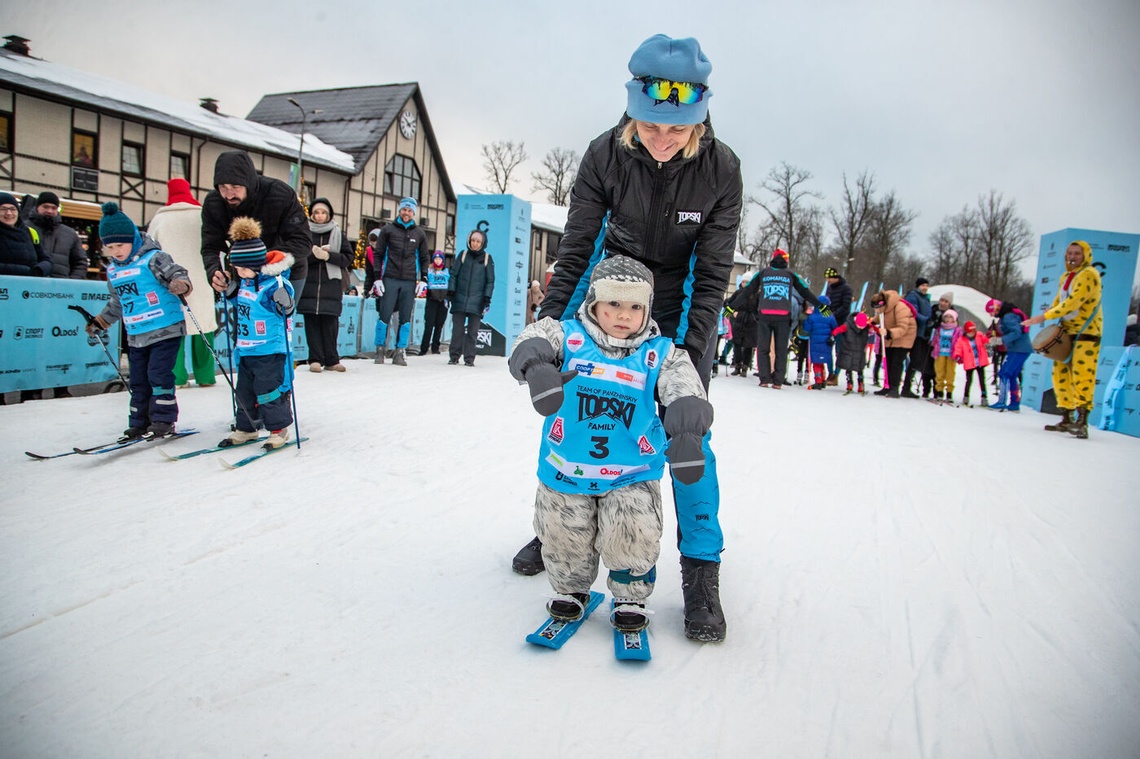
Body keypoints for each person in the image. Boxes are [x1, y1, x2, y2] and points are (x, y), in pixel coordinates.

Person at [512, 34, 743, 643]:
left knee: (693, 444)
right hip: (608, 292)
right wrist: (553, 334)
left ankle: (702, 574)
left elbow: (712, 275)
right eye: (650, 126)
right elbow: (577, 250)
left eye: (676, 130)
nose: (662, 140)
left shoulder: (722, 170)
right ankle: (563, 522)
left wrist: (691, 376)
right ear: (633, 109)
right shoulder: (603, 156)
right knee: (578, 412)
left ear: (697, 120)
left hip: (674, 303)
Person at [508, 256, 712, 633]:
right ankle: (571, 589)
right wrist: (537, 367)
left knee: (633, 530)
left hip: (631, 470)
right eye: (613, 304)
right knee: (563, 532)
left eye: (635, 306)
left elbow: (685, 387)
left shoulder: (659, 352)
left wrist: (686, 434)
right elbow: (530, 338)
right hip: (566, 466)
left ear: (647, 309)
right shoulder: (566, 335)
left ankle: (630, 595)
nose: (624, 315)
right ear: (594, 303)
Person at [86, 203, 192, 440]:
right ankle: (139, 422)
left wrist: (181, 284)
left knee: (158, 374)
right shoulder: (114, 271)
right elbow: (117, 303)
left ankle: (163, 420)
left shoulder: (154, 258)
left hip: (165, 329)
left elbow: (178, 273)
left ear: (133, 238)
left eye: (120, 245)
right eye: (110, 247)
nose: (116, 251)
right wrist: (101, 321)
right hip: (136, 334)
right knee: (138, 380)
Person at [216, 218, 296, 450]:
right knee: (244, 392)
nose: (239, 273)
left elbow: (287, 310)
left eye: (243, 268)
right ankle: (247, 428)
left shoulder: (274, 284)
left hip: (270, 349)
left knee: (268, 392)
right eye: (237, 269)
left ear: (256, 264)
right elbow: (239, 300)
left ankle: (278, 430)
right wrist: (228, 288)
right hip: (247, 349)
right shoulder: (245, 283)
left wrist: (284, 303)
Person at [200, 150, 310, 300]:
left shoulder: (280, 194)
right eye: (223, 187)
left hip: (285, 272)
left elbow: (302, 241)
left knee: (277, 320)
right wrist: (214, 271)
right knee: (246, 320)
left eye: (235, 186)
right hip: (243, 274)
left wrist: (260, 263)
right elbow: (210, 246)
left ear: (248, 182)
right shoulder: (214, 203)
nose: (229, 194)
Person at [1022, 240, 1103, 439]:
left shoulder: (1089, 275)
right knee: (1060, 375)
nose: (1072, 257)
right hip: (1066, 332)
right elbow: (1060, 301)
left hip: (1086, 334)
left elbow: (1074, 301)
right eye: (1069, 253)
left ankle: (1082, 421)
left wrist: (1045, 317)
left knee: (1083, 376)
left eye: (1077, 253)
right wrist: (1049, 311)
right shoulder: (1066, 277)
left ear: (1085, 255)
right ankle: (1067, 417)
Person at [148, 178, 217, 389]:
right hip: (202, 278)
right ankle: (206, 376)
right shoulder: (202, 216)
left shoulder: (159, 221)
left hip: (172, 280)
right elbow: (215, 245)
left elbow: (150, 253)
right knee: (204, 325)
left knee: (175, 327)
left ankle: (177, 377)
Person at [743, 249, 826, 388]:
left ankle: (764, 379)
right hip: (783, 315)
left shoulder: (763, 273)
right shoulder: (790, 274)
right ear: (785, 260)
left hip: (765, 313)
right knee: (781, 349)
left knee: (763, 348)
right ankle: (778, 381)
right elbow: (805, 292)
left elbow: (748, 291)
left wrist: (731, 306)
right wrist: (819, 305)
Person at [367, 197, 429, 366]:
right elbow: (378, 254)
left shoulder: (419, 234)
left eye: (409, 210)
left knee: (405, 317)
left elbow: (424, 257)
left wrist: (423, 278)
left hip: (409, 280)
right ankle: (380, 348)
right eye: (404, 209)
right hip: (390, 278)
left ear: (414, 213)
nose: (406, 213)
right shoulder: (388, 230)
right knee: (384, 315)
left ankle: (400, 351)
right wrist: (378, 278)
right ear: (399, 210)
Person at [301, 197, 354, 373]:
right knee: (312, 323)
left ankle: (332, 359)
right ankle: (315, 359)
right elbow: (299, 258)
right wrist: (313, 256)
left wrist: (328, 256)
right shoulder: (305, 232)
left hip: (331, 285)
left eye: (323, 212)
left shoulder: (338, 233)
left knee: (330, 324)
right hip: (309, 284)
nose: (320, 216)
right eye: (316, 212)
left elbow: (348, 258)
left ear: (329, 214)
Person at [446, 230, 495, 366]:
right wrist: (450, 293)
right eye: (473, 240)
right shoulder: (463, 255)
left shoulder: (487, 258)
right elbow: (454, 275)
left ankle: (469, 358)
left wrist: (486, 299)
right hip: (459, 300)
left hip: (477, 301)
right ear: (469, 241)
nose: (475, 243)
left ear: (482, 243)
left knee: (473, 332)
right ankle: (454, 356)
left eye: (478, 241)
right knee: (457, 331)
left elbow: (490, 281)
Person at [984, 298, 1032, 412]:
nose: (991, 315)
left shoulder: (1008, 316)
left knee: (1004, 373)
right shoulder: (1008, 314)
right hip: (1020, 349)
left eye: (991, 312)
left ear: (995, 308)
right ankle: (1014, 403)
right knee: (1012, 374)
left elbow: (1016, 332)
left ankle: (1002, 401)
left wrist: (1000, 340)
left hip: (1018, 349)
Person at [28, 191, 87, 280]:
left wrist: (73, 282)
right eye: (45, 207)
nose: (49, 211)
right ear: (37, 207)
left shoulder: (69, 234)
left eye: (54, 208)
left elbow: (80, 262)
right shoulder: (24, 229)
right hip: (30, 285)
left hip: (61, 288)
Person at [869, 289, 916, 398]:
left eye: (878, 308)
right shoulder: (882, 310)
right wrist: (868, 322)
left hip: (904, 337)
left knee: (896, 362)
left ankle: (894, 388)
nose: (877, 311)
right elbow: (876, 319)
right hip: (890, 338)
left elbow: (903, 327)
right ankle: (887, 386)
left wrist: (889, 332)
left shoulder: (900, 307)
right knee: (888, 362)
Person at [901, 278, 933, 397]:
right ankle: (905, 386)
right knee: (914, 359)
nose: (925, 287)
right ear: (918, 286)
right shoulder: (913, 296)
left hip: (922, 333)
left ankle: (907, 386)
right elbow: (913, 311)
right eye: (923, 285)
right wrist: (926, 320)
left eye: (927, 285)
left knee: (916, 360)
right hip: (914, 331)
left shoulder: (925, 298)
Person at [822, 267, 852, 384]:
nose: (827, 281)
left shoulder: (846, 289)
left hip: (840, 323)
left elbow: (846, 306)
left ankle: (836, 374)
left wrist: (833, 315)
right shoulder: (829, 289)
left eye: (829, 278)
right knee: (828, 348)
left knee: (839, 350)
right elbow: (826, 303)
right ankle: (830, 373)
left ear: (835, 277)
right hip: (829, 323)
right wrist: (825, 314)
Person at [725, 272, 757, 377]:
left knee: (748, 346)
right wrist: (730, 314)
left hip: (750, 322)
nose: (745, 284)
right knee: (737, 344)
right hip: (738, 321)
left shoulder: (755, 294)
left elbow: (758, 308)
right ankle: (737, 365)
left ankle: (745, 367)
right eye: (743, 282)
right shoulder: (738, 293)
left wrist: (755, 318)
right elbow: (727, 304)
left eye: (747, 282)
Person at [922, 292, 954, 398]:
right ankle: (926, 389)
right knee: (926, 367)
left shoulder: (952, 314)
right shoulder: (934, 310)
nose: (943, 303)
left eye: (946, 302)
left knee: (939, 370)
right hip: (929, 341)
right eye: (942, 300)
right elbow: (927, 322)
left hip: (942, 347)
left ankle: (938, 391)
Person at [832, 311, 872, 395]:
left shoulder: (867, 327)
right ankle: (849, 383)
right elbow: (839, 329)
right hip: (848, 351)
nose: (861, 328)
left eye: (863, 326)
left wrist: (879, 331)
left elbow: (873, 330)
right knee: (848, 368)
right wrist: (832, 335)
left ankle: (861, 384)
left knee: (860, 369)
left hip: (859, 352)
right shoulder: (847, 326)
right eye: (859, 326)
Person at [953, 321, 990, 407]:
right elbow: (958, 349)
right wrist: (958, 356)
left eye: (973, 332)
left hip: (980, 362)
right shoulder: (961, 340)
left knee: (982, 380)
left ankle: (984, 397)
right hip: (969, 363)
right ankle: (966, 396)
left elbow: (986, 340)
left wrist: (989, 336)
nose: (972, 334)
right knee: (969, 380)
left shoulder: (979, 335)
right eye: (969, 333)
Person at [419, 251, 450, 355]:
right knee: (429, 325)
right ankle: (424, 348)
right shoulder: (429, 271)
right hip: (432, 300)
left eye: (440, 259)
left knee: (439, 325)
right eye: (436, 259)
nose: (438, 261)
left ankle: (435, 347)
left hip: (443, 301)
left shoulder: (447, 271)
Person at [803, 296, 837, 389]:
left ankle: (818, 380)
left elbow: (806, 328)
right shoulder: (829, 316)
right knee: (822, 360)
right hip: (826, 342)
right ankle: (823, 379)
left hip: (815, 341)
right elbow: (835, 327)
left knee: (816, 362)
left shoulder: (813, 316)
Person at [929, 308, 961, 403]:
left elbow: (959, 342)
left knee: (950, 373)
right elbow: (934, 340)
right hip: (940, 353)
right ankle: (939, 391)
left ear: (954, 319)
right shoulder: (940, 329)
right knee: (939, 373)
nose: (947, 319)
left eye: (950, 317)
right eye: (946, 317)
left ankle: (949, 392)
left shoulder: (957, 330)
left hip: (951, 354)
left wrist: (958, 353)